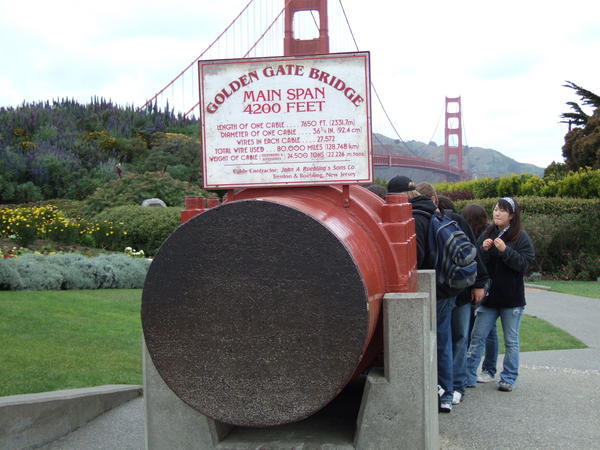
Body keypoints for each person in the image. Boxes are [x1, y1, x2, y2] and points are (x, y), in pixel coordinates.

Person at [416, 183, 488, 407]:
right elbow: (472, 253)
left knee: (450, 338)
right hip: (457, 289)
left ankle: (453, 386)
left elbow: (472, 254)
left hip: (447, 290)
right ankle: (454, 387)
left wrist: (479, 283)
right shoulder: (451, 221)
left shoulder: (438, 221)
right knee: (456, 338)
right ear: (434, 199)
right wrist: (478, 283)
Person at [466, 197, 535, 392]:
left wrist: (505, 251)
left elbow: (523, 264)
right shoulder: (487, 233)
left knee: (511, 341)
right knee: (477, 337)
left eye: (502, 210)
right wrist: (484, 250)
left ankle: (509, 378)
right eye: (495, 209)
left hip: (511, 299)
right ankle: (469, 375)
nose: (497, 213)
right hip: (489, 298)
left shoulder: (520, 237)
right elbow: (478, 262)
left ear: (512, 215)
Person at [461, 204, 498, 384]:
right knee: (487, 330)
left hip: (483, 283)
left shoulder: (482, 236)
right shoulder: (487, 232)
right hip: (488, 283)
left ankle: (483, 369)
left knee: (484, 328)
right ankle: (486, 368)